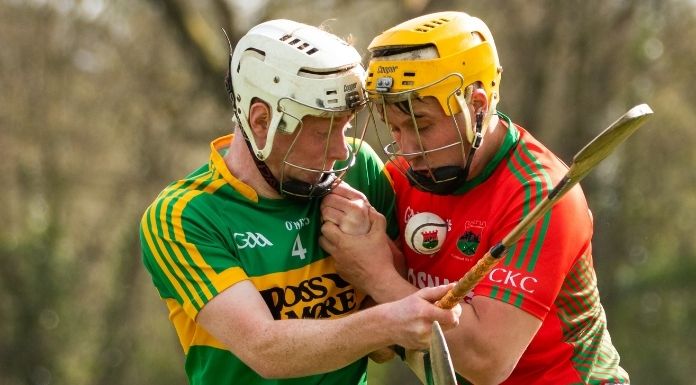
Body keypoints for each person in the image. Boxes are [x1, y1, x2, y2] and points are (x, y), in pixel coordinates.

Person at [139, 19, 461, 385]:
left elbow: (383, 349)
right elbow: (265, 350)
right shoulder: (184, 215)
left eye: (347, 127)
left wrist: (378, 261)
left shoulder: (359, 172)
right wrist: (389, 321)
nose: (341, 150)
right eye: (324, 133)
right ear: (262, 121)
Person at [320, 11, 630, 385]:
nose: (407, 148)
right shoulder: (403, 177)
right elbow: (381, 347)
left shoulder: (540, 194)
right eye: (395, 128)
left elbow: (487, 361)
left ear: (477, 104)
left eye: (423, 124)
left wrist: (378, 276)